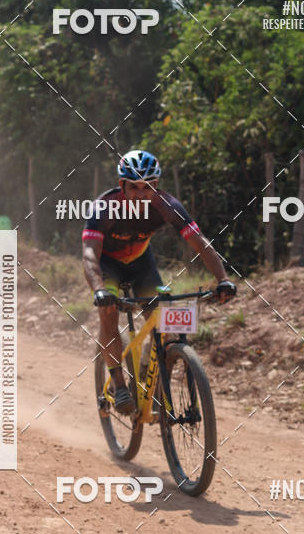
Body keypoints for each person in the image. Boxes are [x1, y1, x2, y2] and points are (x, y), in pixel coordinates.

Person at [82, 149, 236, 414]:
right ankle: (119, 385)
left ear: (157, 186)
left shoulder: (167, 206)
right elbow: (88, 254)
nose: (142, 194)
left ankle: (147, 378)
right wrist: (98, 290)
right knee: (108, 311)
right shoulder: (105, 207)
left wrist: (222, 279)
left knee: (165, 325)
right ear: (122, 186)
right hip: (107, 266)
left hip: (142, 265)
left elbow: (200, 243)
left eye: (148, 187)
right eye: (135, 187)